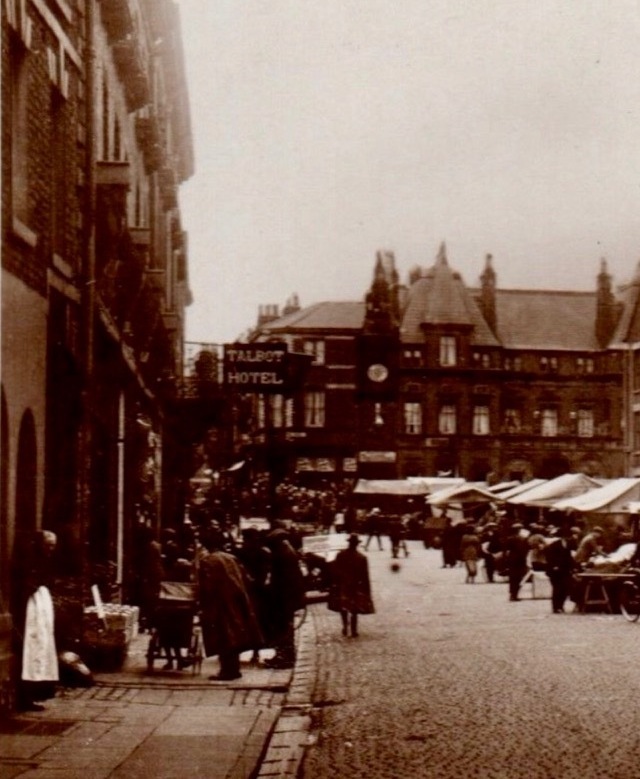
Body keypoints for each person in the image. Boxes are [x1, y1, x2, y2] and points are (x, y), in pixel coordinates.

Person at [198, 528, 263, 681]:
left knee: (223, 636)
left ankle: (227, 671)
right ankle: (234, 669)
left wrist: (202, 604)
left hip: (219, 603)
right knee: (234, 635)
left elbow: (207, 587)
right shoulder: (231, 558)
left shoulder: (207, 561)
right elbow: (245, 578)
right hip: (236, 601)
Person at [12, 530, 59, 711]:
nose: (51, 549)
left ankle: (35, 692)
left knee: (42, 648)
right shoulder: (30, 562)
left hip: (42, 607)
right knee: (31, 650)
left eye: (53, 546)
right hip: (32, 609)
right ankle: (25, 696)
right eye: (48, 545)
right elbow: (26, 584)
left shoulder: (46, 562)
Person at [263, 529, 306, 669]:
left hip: (283, 601)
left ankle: (285, 658)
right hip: (287, 600)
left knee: (283, 629)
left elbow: (280, 582)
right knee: (286, 628)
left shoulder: (282, 555)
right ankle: (284, 656)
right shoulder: (288, 551)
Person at [328, 534, 374, 637]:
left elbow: (335, 570)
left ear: (349, 543)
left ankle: (345, 626)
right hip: (355, 586)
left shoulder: (340, 555)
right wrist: (367, 591)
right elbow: (365, 576)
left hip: (343, 584)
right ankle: (353, 630)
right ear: (357, 544)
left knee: (343, 606)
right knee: (354, 608)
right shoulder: (362, 558)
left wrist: (335, 583)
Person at [545, 525, 577, 613]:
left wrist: (574, 567)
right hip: (555, 570)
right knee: (557, 589)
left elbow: (569, 557)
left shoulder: (568, 544)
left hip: (564, 570)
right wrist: (554, 566)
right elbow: (549, 557)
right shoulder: (554, 545)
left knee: (565, 588)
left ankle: (561, 605)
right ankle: (556, 607)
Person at [504, 523, 530, 601]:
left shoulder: (509, 539)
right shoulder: (523, 539)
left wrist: (507, 561)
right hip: (521, 560)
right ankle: (515, 594)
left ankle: (512, 594)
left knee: (513, 578)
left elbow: (506, 551)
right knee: (519, 578)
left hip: (512, 560)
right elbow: (527, 549)